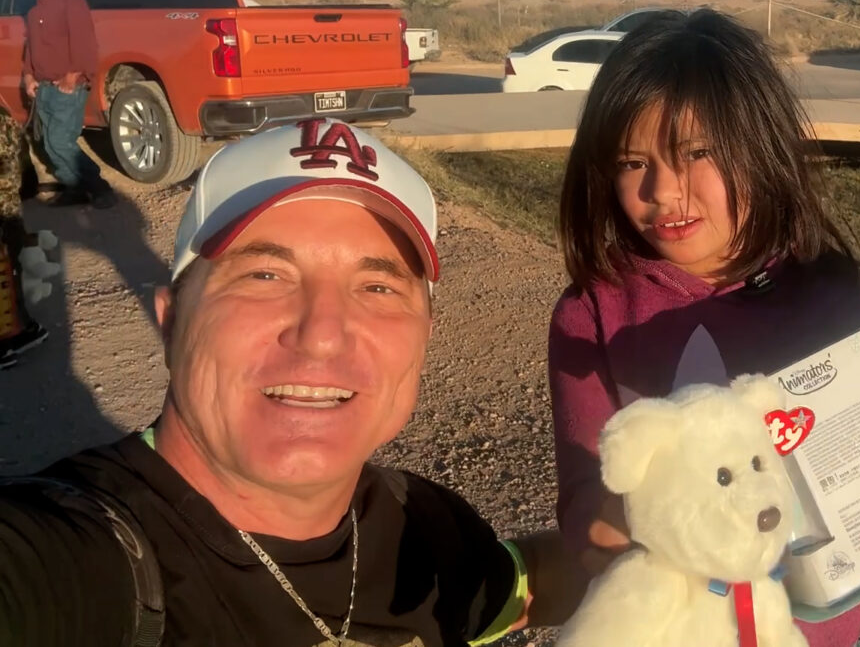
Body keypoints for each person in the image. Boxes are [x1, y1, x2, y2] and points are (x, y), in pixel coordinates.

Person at [0, 118, 585, 645]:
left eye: (378, 287)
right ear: (172, 318)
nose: (323, 334)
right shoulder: (72, 558)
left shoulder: (424, 529)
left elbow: (520, 587)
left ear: (424, 337)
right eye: (265, 273)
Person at [547, 9, 860, 647]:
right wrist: (666, 504)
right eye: (630, 162)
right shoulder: (589, 315)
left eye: (698, 152)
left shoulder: (834, 302)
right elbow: (585, 524)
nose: (664, 190)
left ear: (761, 146)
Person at [19, 0, 116, 209]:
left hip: (67, 87)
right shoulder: (33, 12)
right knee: (49, 143)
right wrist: (29, 76)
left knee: (60, 141)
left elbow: (85, 44)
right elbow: (32, 48)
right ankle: (75, 189)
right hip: (44, 89)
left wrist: (72, 77)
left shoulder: (71, 2)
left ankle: (99, 187)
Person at [0, 98, 48, 370]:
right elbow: (23, 161)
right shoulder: (4, 116)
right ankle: (23, 329)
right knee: (10, 273)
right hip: (10, 210)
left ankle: (5, 343)